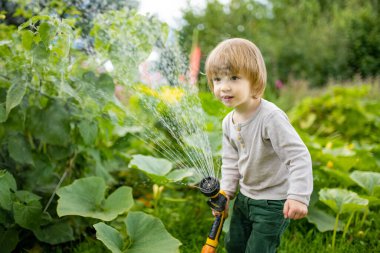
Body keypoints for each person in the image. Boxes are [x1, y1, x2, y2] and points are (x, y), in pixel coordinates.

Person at [205, 38, 313, 253]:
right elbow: (230, 162)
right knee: (234, 246)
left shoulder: (270, 117)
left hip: (272, 203)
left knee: (258, 249)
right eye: (217, 79)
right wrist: (226, 194)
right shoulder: (228, 122)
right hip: (244, 199)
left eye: (234, 78)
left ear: (254, 80)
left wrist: (298, 196)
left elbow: (298, 156)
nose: (224, 86)